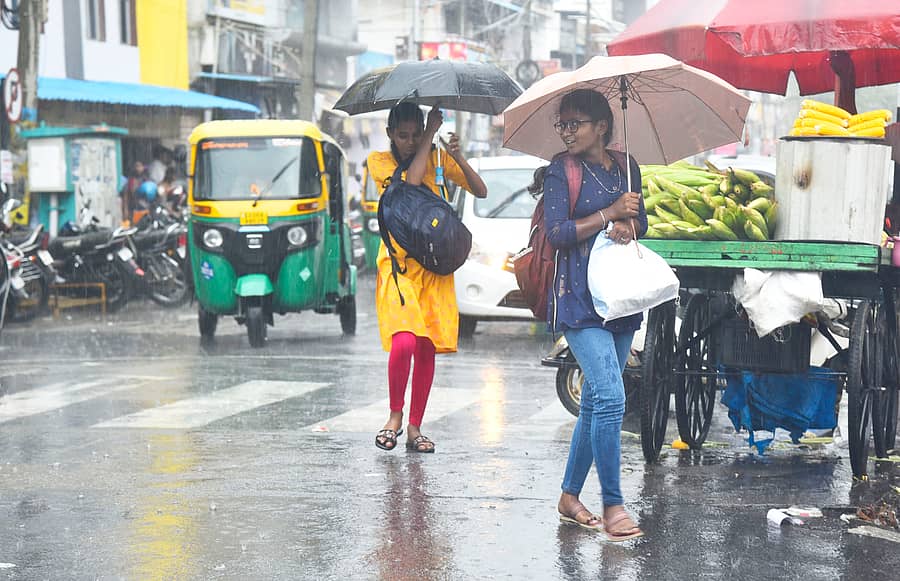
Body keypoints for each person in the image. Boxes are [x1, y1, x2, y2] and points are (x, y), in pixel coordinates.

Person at [541, 89, 647, 541]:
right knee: (611, 395)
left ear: (602, 126)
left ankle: (569, 495)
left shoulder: (627, 166)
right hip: (578, 299)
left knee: (596, 404)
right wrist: (609, 215)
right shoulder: (560, 171)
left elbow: (644, 222)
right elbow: (558, 233)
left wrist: (629, 224)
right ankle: (614, 503)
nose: (566, 131)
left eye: (575, 123)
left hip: (620, 299)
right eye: (562, 124)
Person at [367, 102, 487, 453]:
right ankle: (394, 416)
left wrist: (457, 157)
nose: (409, 141)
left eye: (415, 134)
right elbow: (410, 183)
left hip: (433, 266)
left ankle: (416, 427)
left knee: (425, 346)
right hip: (398, 263)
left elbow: (479, 191)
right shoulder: (379, 162)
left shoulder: (436, 158)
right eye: (402, 135)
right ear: (389, 134)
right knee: (403, 341)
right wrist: (430, 134)